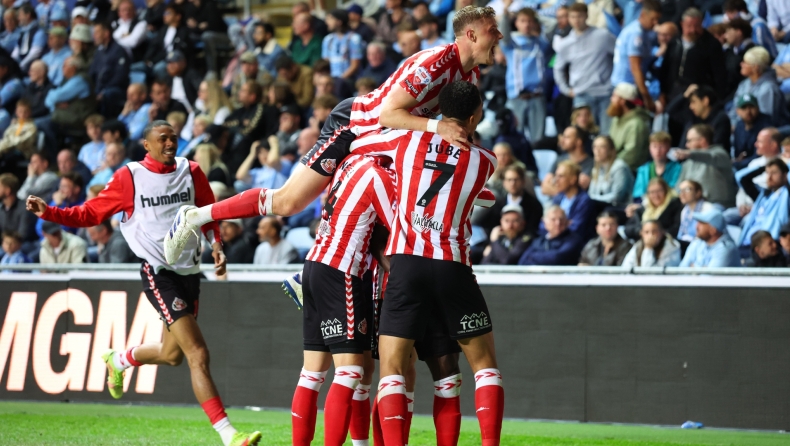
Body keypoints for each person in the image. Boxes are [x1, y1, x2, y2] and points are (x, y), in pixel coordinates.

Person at [165, 6, 504, 263]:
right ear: (471, 35)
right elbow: (388, 114)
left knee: (388, 219)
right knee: (289, 202)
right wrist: (437, 126)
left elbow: (452, 131)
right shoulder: (436, 62)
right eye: (493, 30)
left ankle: (312, 275)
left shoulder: (469, 78)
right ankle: (194, 216)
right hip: (355, 128)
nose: (500, 36)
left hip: (386, 144)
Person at [25, 120, 262, 446]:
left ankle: (119, 360)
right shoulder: (130, 176)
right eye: (162, 139)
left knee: (172, 355)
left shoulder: (191, 171)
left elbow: (208, 212)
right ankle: (230, 436)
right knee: (197, 353)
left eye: (173, 138)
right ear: (147, 145)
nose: (170, 143)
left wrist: (216, 244)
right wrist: (50, 212)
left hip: (190, 273)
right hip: (158, 272)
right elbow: (91, 213)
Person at [334, 80, 503, 446]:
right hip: (453, 267)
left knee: (392, 369)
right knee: (484, 368)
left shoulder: (404, 140)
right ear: (475, 116)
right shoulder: (487, 161)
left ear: (439, 110)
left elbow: (360, 145)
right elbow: (479, 193)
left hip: (406, 265)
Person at [291, 151, 396, 446]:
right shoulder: (380, 174)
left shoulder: (348, 163)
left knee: (312, 374)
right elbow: (398, 226)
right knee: (351, 372)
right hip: (342, 270)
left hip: (315, 264)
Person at [554, 3, 615, 134]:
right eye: (573, 17)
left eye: (580, 16)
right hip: (581, 95)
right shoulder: (565, 44)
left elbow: (620, 57)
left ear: (587, 16)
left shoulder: (603, 36)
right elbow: (557, 68)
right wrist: (566, 90)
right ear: (569, 18)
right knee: (583, 135)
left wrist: (615, 84)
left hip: (605, 93)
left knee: (607, 135)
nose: (576, 20)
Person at [658, 8, 727, 112]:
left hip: (698, 98)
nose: (693, 30)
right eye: (689, 26)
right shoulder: (674, 42)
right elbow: (665, 70)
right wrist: (663, 93)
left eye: (697, 26)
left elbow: (719, 76)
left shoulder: (712, 45)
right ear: (682, 24)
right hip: (673, 93)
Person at [499, 2, 548, 140]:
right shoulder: (510, 44)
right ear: (516, 23)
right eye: (522, 20)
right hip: (517, 98)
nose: (526, 24)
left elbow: (553, 25)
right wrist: (506, 14)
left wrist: (538, 17)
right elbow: (503, 32)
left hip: (537, 96)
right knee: (516, 139)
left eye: (530, 21)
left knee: (538, 140)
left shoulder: (541, 43)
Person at [611, 0, 661, 112]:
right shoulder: (636, 34)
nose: (655, 23)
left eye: (658, 19)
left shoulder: (641, 31)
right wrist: (646, 97)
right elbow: (635, 67)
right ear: (643, 14)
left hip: (625, 85)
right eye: (653, 19)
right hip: (627, 89)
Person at [737, 158, 790, 259]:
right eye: (767, 173)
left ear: (785, 175)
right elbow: (740, 178)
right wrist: (762, 168)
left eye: (774, 173)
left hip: (768, 248)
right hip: (746, 245)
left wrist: (785, 166)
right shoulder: (763, 195)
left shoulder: (786, 194)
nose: (769, 177)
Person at [675, 124, 737, 208]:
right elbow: (678, 187)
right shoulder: (688, 162)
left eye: (689, 141)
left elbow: (709, 157)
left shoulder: (720, 154)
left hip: (718, 205)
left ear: (702, 141)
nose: (686, 145)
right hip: (693, 207)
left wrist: (689, 154)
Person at [728, 46, 790, 126]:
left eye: (745, 62)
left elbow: (766, 121)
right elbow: (735, 109)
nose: (741, 64)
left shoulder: (768, 88)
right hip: (742, 127)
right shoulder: (744, 84)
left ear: (755, 67)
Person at [543, 160, 596, 241]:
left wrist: (554, 226)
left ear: (573, 179)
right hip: (555, 240)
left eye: (561, 176)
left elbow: (576, 228)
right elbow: (544, 224)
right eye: (556, 176)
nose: (556, 180)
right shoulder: (558, 197)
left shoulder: (585, 201)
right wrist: (566, 223)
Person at [519, 204, 586, 265]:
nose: (558, 223)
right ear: (544, 221)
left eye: (561, 219)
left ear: (567, 221)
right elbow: (523, 261)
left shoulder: (574, 240)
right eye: (553, 219)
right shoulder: (539, 241)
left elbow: (557, 258)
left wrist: (532, 256)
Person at [141, 3, 191, 82]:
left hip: (171, 61)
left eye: (168, 13)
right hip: (157, 59)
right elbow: (154, 46)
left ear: (178, 16)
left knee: (158, 68)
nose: (165, 15)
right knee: (135, 67)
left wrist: (154, 61)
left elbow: (178, 51)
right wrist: (147, 59)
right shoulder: (163, 30)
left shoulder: (184, 32)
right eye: (164, 13)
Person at [89, 21, 130, 118]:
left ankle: (105, 121)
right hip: (99, 89)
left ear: (106, 33)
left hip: (115, 90)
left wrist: (103, 91)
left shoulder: (119, 51)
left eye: (97, 32)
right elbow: (92, 73)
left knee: (107, 94)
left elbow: (120, 77)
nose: (94, 36)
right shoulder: (99, 52)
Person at [674, 85, 731, 152]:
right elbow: (670, 112)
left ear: (705, 101)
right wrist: (684, 95)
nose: (691, 106)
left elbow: (716, 147)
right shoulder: (693, 119)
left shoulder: (721, 119)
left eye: (693, 102)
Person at [608, 82, 650, 171]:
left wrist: (610, 164)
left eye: (614, 96)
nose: (611, 99)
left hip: (628, 171)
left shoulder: (636, 124)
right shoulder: (617, 119)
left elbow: (631, 155)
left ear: (622, 101)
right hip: (614, 165)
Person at [541, 126, 592, 197]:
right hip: (556, 202)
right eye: (563, 137)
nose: (562, 140)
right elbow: (544, 188)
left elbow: (580, 190)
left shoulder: (591, 164)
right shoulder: (560, 159)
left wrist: (558, 191)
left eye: (567, 137)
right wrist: (565, 195)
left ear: (578, 142)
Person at [587, 135, 634, 208]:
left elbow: (617, 197)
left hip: (620, 208)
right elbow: (590, 194)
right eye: (595, 147)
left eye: (602, 147)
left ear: (611, 150)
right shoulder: (595, 170)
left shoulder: (619, 167)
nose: (597, 151)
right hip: (600, 207)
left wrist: (592, 200)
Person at [633, 131, 681, 199]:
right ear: (649, 148)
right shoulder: (643, 170)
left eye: (661, 147)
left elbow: (675, 190)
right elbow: (638, 194)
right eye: (654, 146)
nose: (657, 151)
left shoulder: (677, 168)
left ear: (668, 148)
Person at [732, 94, 773, 169]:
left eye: (751, 107)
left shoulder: (766, 125)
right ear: (737, 111)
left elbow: (760, 155)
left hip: (762, 165)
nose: (748, 111)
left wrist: (738, 164)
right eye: (744, 108)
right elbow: (737, 152)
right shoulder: (739, 125)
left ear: (758, 108)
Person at [323, 9, 363, 81]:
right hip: (332, 80)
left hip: (350, 80)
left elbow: (355, 65)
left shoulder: (354, 38)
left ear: (339, 22)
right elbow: (325, 63)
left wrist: (339, 80)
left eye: (330, 19)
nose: (326, 22)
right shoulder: (328, 39)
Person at [722, 18, 756, 100]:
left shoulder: (752, 53)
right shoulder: (729, 51)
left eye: (728, 32)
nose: (725, 36)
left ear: (739, 32)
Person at [676, 180, 717, 245]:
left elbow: (712, 235)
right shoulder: (684, 211)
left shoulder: (708, 208)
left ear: (698, 193)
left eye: (687, 189)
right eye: (680, 190)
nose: (682, 194)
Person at [0, 173, 35, 246]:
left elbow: (23, 235)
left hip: (22, 246)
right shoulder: (1, 208)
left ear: (8, 191)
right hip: (5, 246)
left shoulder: (24, 208)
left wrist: (8, 244)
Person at [12, 4, 46, 73]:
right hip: (20, 67)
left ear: (28, 15)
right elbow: (17, 49)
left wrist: (21, 65)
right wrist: (12, 63)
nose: (18, 18)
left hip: (33, 68)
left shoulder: (39, 31)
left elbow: (35, 53)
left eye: (20, 15)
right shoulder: (22, 32)